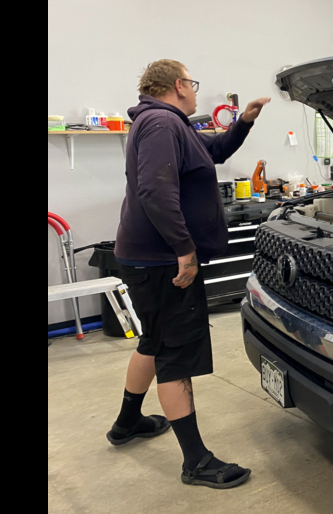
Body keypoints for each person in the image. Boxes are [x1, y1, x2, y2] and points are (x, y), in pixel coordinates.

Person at [108, 59, 270, 489]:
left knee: (154, 339)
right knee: (175, 355)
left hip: (147, 257)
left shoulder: (167, 124)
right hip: (163, 261)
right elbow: (155, 190)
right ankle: (196, 461)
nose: (196, 92)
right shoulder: (163, 123)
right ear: (179, 85)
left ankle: (127, 423)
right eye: (193, 84)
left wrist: (245, 123)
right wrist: (184, 251)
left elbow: (211, 152)